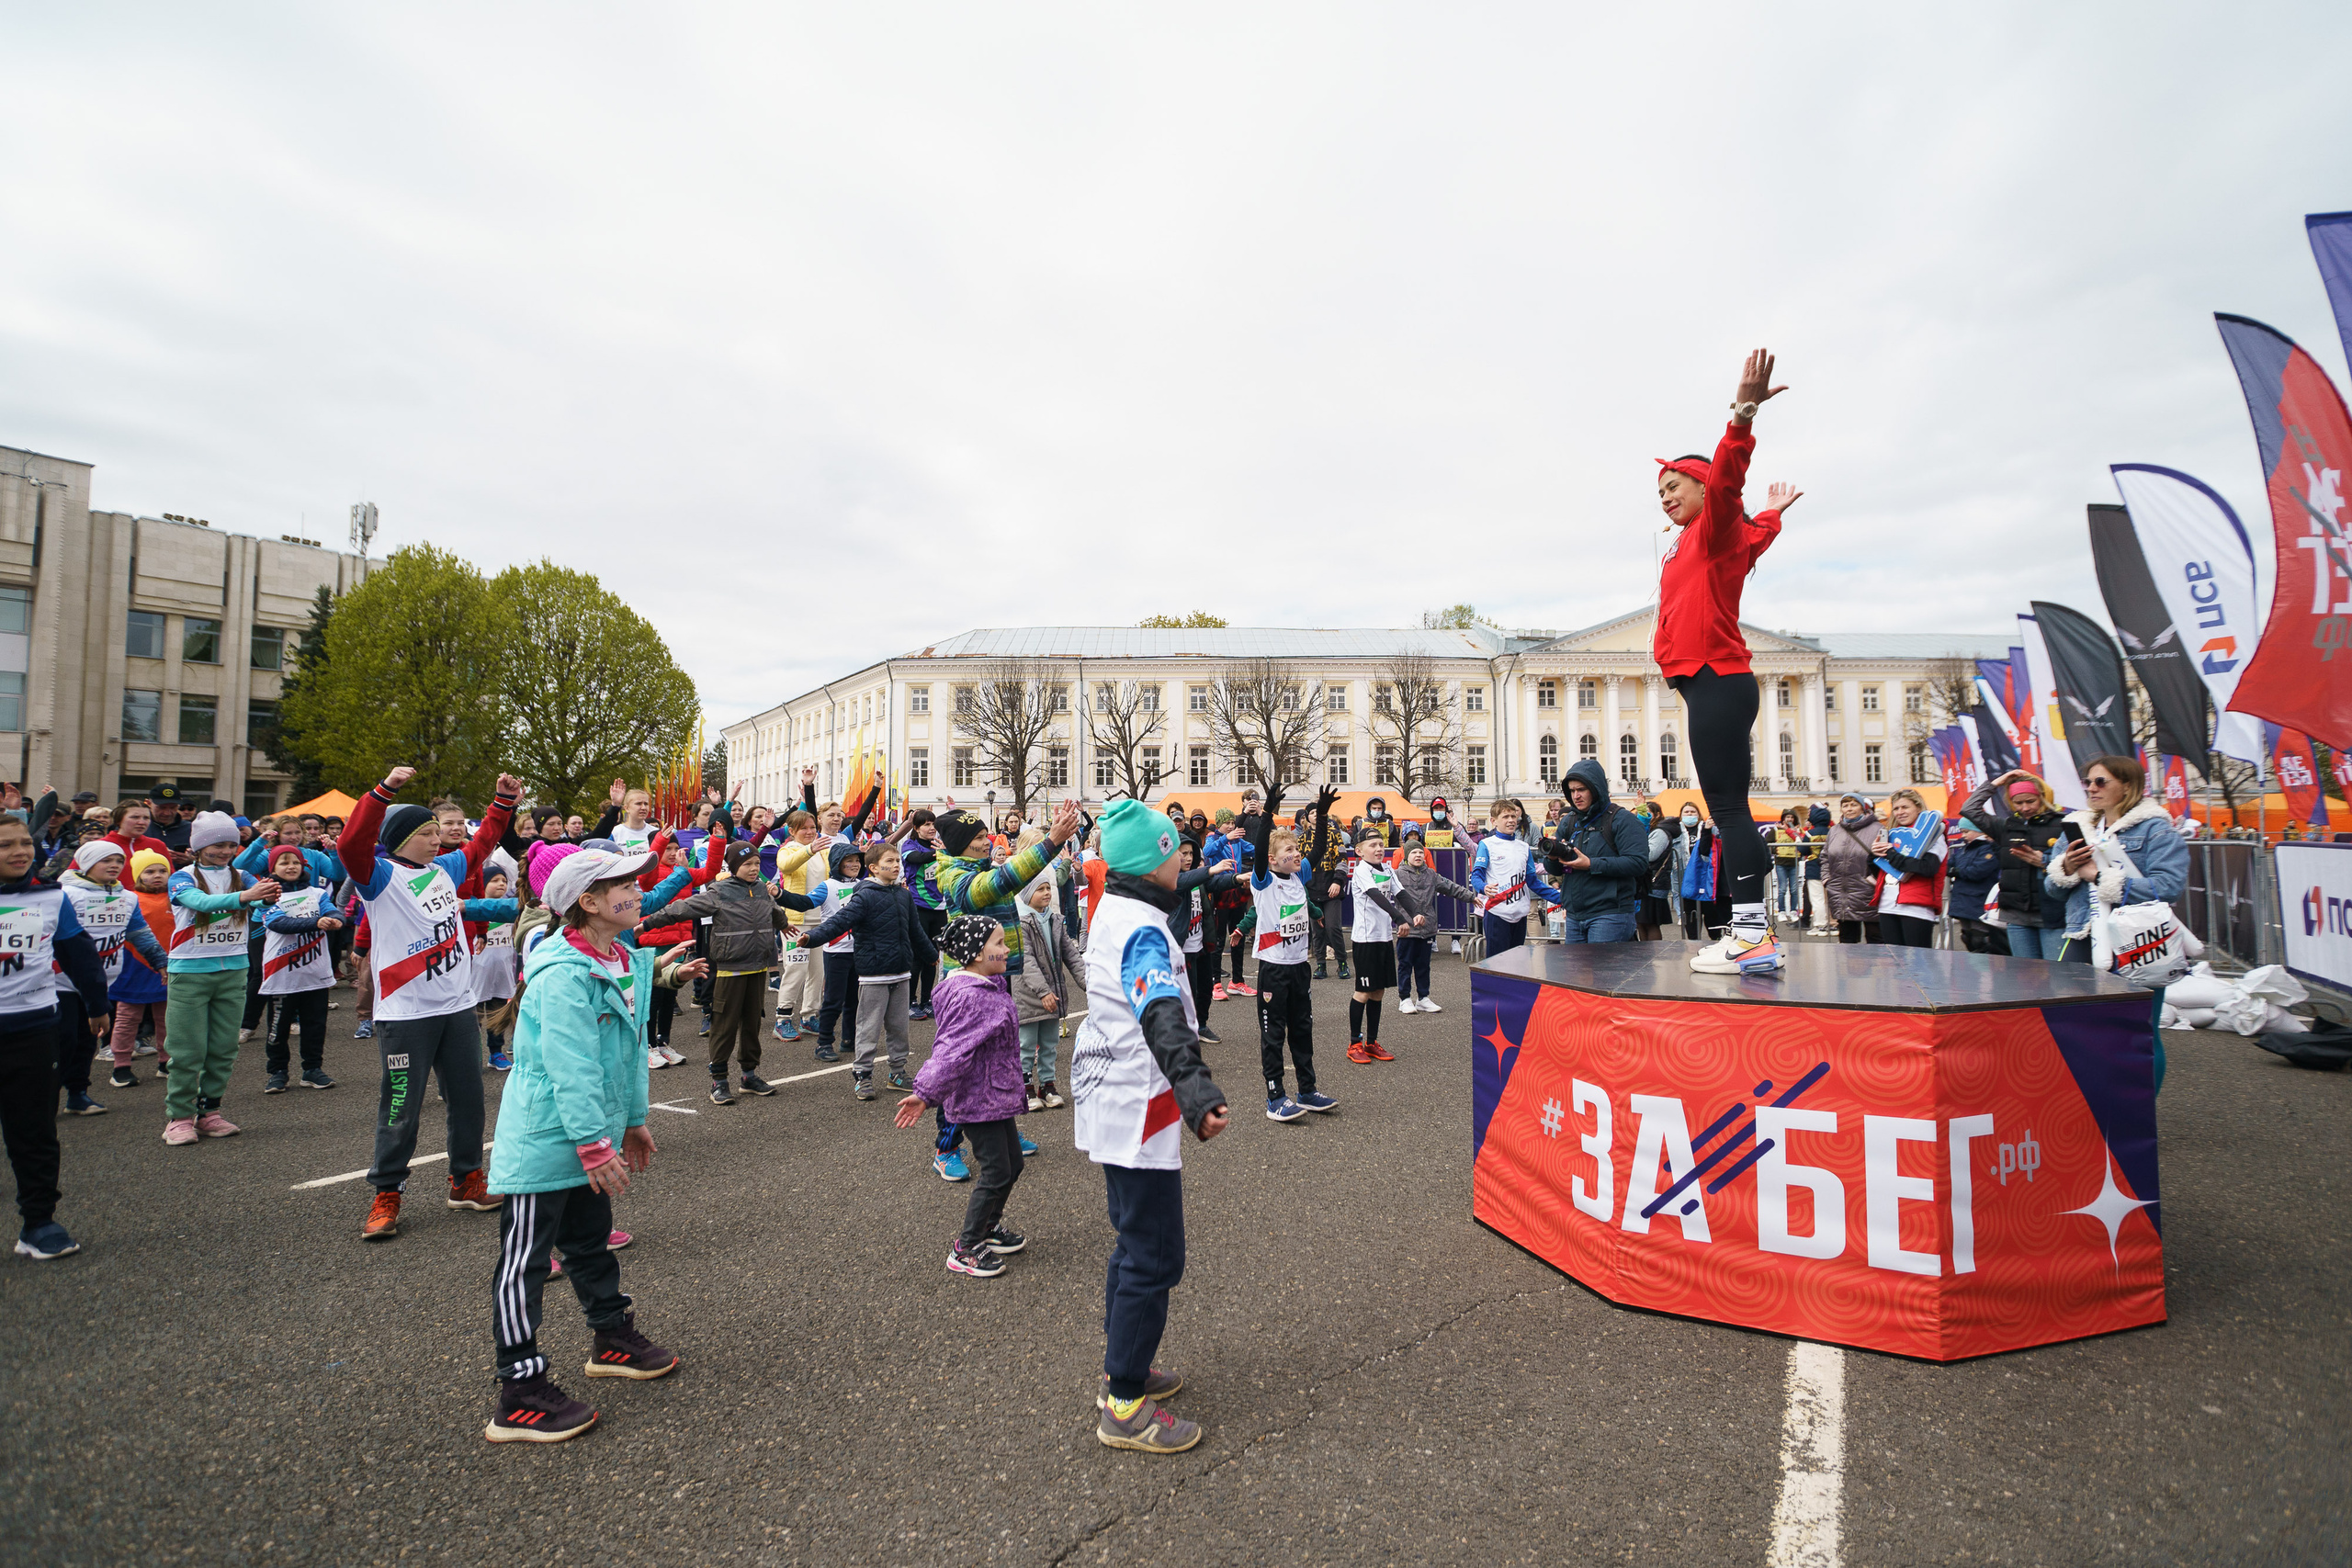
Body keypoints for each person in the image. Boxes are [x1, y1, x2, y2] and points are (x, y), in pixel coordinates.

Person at [483, 848, 685, 1444]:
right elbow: (568, 1064)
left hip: (589, 1134)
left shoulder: (618, 956)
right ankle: (518, 1389)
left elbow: (622, 1053)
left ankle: (611, 1335)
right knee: (523, 1263)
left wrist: (632, 1119)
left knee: (589, 1241)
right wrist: (594, 1144)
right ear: (589, 903)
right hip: (547, 1139)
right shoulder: (563, 971)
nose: (637, 889)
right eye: (621, 883)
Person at [1070, 798, 1230, 1452]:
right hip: (1141, 1101)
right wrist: (1195, 1086)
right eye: (1173, 851)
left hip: (1114, 1094)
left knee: (1132, 1242)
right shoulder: (1141, 928)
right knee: (1155, 1255)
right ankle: (1125, 1404)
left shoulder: (1117, 905)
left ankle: (1120, 1370)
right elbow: (1160, 1006)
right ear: (1152, 861)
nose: (1181, 859)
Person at [1654, 347, 1798, 974]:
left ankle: (1750, 936)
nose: (1664, 496)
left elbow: (1729, 479)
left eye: (1674, 485)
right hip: (1715, 684)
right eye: (1659, 490)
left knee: (1730, 809)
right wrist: (1772, 516)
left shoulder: (1712, 527)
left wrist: (1742, 415)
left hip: (1716, 678)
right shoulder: (1712, 538)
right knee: (1730, 806)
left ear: (1701, 486)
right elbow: (1755, 534)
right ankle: (1751, 931)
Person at [341, 764, 523, 1241]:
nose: (434, 840)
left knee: (469, 1100)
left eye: (434, 832)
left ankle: (465, 1181)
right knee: (401, 1106)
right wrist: (383, 792)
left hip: (457, 1006)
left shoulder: (444, 868)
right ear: (399, 839)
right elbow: (350, 845)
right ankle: (387, 1193)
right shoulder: (377, 875)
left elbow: (481, 845)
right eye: (424, 833)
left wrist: (502, 804)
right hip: (406, 1014)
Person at [0, 818, 111, 1259]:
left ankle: (39, 1224)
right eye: (6, 844)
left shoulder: (51, 895)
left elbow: (76, 950)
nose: (20, 850)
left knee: (34, 1132)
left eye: (25, 842)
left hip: (32, 1029)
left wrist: (97, 1003)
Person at [896, 918, 1030, 1277]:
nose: (1006, 950)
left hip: (994, 1093)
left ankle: (987, 1229)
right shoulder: (974, 997)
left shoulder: (985, 986)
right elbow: (951, 1051)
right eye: (999, 944)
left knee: (1012, 1165)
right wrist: (924, 1093)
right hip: (977, 1099)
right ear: (974, 953)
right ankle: (966, 1246)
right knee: (997, 1170)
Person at [2045, 754, 2187, 1089]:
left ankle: (2136, 1120)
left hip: (2138, 942)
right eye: (2088, 782)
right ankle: (2092, 1107)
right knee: (2075, 1027)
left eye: (2101, 781)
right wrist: (2065, 868)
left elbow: (2168, 887)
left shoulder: (2157, 828)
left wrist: (2099, 877)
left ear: (2127, 786)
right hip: (2083, 936)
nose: (2091, 788)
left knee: (2138, 1032)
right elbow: (2052, 888)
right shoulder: (2078, 827)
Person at [161, 811, 281, 1145]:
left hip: (234, 970)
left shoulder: (243, 875)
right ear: (198, 847)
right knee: (187, 1050)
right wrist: (246, 897)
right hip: (189, 972)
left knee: (224, 1048)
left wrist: (270, 902)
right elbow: (198, 902)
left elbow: (259, 912)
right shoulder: (182, 877)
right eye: (217, 845)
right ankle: (179, 1118)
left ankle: (209, 1112)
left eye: (230, 843)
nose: (225, 850)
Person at [790, 840, 934, 1102]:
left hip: (901, 973)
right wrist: (812, 937)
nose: (895, 866)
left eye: (897, 861)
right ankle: (863, 1075)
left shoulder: (903, 894)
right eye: (888, 862)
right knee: (868, 1027)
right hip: (873, 974)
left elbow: (916, 931)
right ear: (873, 869)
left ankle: (898, 1073)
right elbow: (839, 922)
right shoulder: (865, 894)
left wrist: (931, 955)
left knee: (899, 1027)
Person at [1234, 784, 1338, 1120]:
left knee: (1303, 1029)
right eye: (1289, 850)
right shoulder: (1263, 880)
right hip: (1273, 969)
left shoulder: (1298, 877)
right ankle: (1274, 1096)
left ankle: (1307, 1091)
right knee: (1273, 1033)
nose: (1296, 854)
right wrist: (1266, 813)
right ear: (1272, 858)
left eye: (1296, 848)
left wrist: (1321, 815)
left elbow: (1319, 849)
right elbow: (1263, 842)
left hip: (1298, 968)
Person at [54, 840, 165, 1115]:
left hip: (102, 983)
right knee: (63, 1041)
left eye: (119, 860)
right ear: (86, 864)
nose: (115, 865)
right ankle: (44, 1097)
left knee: (87, 1041)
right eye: (107, 860)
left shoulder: (128, 897)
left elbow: (139, 933)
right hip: (61, 982)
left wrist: (160, 962)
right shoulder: (64, 894)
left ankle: (78, 1095)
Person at [256, 841, 345, 1092]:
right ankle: (277, 1072)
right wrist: (318, 922)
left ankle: (312, 1069)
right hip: (281, 973)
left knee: (315, 1025)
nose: (291, 867)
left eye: (295, 862)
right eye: (284, 863)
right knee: (278, 1027)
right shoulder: (268, 895)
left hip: (315, 973)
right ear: (273, 867)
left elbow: (335, 913)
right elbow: (279, 924)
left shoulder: (317, 893)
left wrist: (336, 921)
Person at [1960, 770, 2071, 960]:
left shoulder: (2063, 824)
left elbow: (2074, 866)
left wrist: (2044, 862)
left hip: (2051, 914)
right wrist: (1996, 783)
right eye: (2018, 803)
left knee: (2057, 976)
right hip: (2016, 914)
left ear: (2042, 798)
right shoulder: (2005, 827)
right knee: (2026, 978)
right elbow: (1970, 809)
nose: (2025, 807)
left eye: (2031, 801)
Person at [1540, 760, 1651, 944]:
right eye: (1572, 791)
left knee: (1604, 973)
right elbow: (1554, 869)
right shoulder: (1569, 821)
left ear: (1596, 788)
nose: (1576, 796)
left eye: (1582, 789)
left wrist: (1591, 864)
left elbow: (1638, 863)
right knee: (1576, 973)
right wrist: (1552, 857)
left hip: (1611, 914)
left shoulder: (1622, 820)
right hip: (1575, 915)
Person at [1012, 877, 1085, 1112]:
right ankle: (1024, 1087)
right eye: (1040, 889)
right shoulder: (1020, 923)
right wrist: (1043, 991)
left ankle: (1047, 1085)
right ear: (1026, 895)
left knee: (1049, 1043)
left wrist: (1090, 983)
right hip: (1029, 996)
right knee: (1026, 1044)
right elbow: (1026, 961)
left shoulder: (1054, 919)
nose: (1047, 893)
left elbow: (1071, 955)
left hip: (1052, 995)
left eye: (1047, 889)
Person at [106, 849, 175, 1087]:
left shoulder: (176, 897)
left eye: (162, 870)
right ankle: (121, 1066)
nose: (157, 875)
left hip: (168, 965)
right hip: (133, 966)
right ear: (137, 876)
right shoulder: (128, 898)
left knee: (167, 1018)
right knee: (127, 1018)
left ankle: (166, 1061)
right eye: (149, 871)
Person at [1346, 829, 1411, 1064]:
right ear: (1359, 850)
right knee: (1363, 992)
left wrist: (1416, 914)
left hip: (1383, 938)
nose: (1378, 849)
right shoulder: (1362, 870)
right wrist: (1400, 919)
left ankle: (1372, 1042)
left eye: (1381, 844)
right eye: (1372, 845)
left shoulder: (1387, 868)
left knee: (1379, 991)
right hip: (1365, 939)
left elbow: (1400, 893)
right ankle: (1355, 1043)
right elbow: (1377, 896)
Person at [1467, 799, 1563, 958]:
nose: (1511, 820)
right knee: (1497, 965)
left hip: (1519, 914)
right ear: (1493, 821)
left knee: (1516, 965)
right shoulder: (1487, 844)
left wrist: (1562, 897)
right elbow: (1477, 875)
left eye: (1513, 816)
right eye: (1505, 817)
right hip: (1497, 913)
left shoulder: (1524, 847)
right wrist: (1483, 887)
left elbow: (1533, 882)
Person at [1391, 836, 1469, 1012]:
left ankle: (1423, 998)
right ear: (1406, 856)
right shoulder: (1396, 875)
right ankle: (1404, 999)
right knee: (1405, 964)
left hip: (1427, 929)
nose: (1418, 855)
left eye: (1421, 852)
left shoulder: (1431, 874)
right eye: (1414, 852)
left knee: (1423, 965)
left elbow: (1452, 888)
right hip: (1407, 929)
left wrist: (1472, 897)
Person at [1868, 789, 1948, 949]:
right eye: (1896, 809)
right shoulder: (1891, 834)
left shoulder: (1934, 836)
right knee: (1895, 963)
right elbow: (1881, 874)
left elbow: (1927, 868)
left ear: (1918, 808)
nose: (1900, 812)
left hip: (1916, 906)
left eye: (1905, 807)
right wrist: (1873, 857)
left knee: (1919, 964)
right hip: (1887, 904)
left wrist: (1891, 854)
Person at [1821, 795, 1882, 944]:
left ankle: (1882, 969)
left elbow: (1883, 857)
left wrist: (1875, 880)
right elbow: (1825, 857)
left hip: (1869, 891)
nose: (1849, 809)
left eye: (1854, 805)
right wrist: (1827, 879)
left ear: (1862, 807)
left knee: (1876, 940)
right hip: (1841, 892)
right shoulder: (1834, 831)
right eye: (1845, 805)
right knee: (1847, 941)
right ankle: (1849, 969)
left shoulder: (1877, 829)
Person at [1946, 819, 2007, 955]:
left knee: (1980, 939)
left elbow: (1978, 871)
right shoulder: (1963, 850)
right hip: (1962, 901)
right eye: (1962, 832)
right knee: (1967, 937)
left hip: (1979, 901)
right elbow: (1947, 865)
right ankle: (1975, 971)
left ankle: (1985, 973)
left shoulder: (1989, 848)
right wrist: (1956, 870)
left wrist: (1957, 871)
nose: (1963, 836)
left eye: (1966, 832)